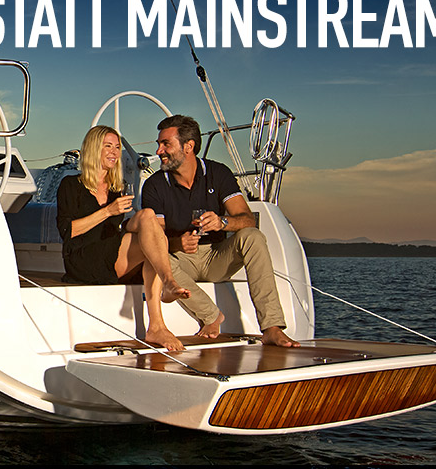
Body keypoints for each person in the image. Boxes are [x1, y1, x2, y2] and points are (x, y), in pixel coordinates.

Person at [141, 115, 299, 347]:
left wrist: (222, 222)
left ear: (188, 146)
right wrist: (177, 243)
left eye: (166, 144)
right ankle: (211, 316)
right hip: (180, 260)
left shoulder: (218, 173)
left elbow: (247, 220)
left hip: (217, 257)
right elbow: (156, 236)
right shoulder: (154, 185)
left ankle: (272, 328)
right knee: (156, 257)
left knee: (253, 237)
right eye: (159, 144)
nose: (159, 151)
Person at [56, 125, 192, 351]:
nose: (114, 152)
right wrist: (108, 211)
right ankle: (159, 317)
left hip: (111, 252)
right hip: (82, 257)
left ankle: (161, 308)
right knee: (151, 242)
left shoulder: (116, 189)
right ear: (93, 149)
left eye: (117, 147)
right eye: (108, 146)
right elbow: (67, 231)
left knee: (148, 217)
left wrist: (133, 222)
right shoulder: (71, 185)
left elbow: (115, 228)